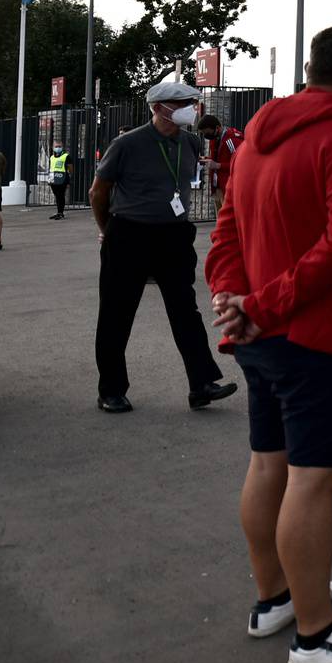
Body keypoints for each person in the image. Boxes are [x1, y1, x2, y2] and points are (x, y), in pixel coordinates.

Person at [205, 26, 332, 663]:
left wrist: (236, 301)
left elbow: (226, 227)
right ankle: (317, 635)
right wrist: (258, 307)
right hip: (320, 335)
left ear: (307, 69)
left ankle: (276, 599)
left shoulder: (259, 134)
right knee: (314, 480)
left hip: (265, 336)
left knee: (269, 464)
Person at [90, 80, 237, 413]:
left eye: (193, 102)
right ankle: (111, 390)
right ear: (158, 108)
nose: (191, 109)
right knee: (116, 313)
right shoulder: (127, 144)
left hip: (174, 236)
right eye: (183, 103)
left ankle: (202, 383)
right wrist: (108, 230)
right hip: (129, 235)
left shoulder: (188, 142)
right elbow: (98, 192)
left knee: (186, 311)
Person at [200, 114, 246, 215]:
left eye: (208, 132)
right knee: (220, 218)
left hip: (228, 187)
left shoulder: (231, 140)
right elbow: (217, 158)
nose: (207, 136)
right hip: (218, 187)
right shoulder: (214, 139)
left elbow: (240, 163)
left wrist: (218, 165)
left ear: (217, 128)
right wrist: (206, 160)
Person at [48, 141, 72, 220]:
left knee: (60, 195)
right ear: (53, 147)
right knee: (56, 195)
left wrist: (69, 175)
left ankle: (60, 213)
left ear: (62, 147)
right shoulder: (51, 157)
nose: (57, 148)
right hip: (53, 178)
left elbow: (70, 168)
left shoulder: (66, 156)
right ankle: (59, 212)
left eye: (59, 146)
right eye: (56, 146)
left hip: (62, 178)